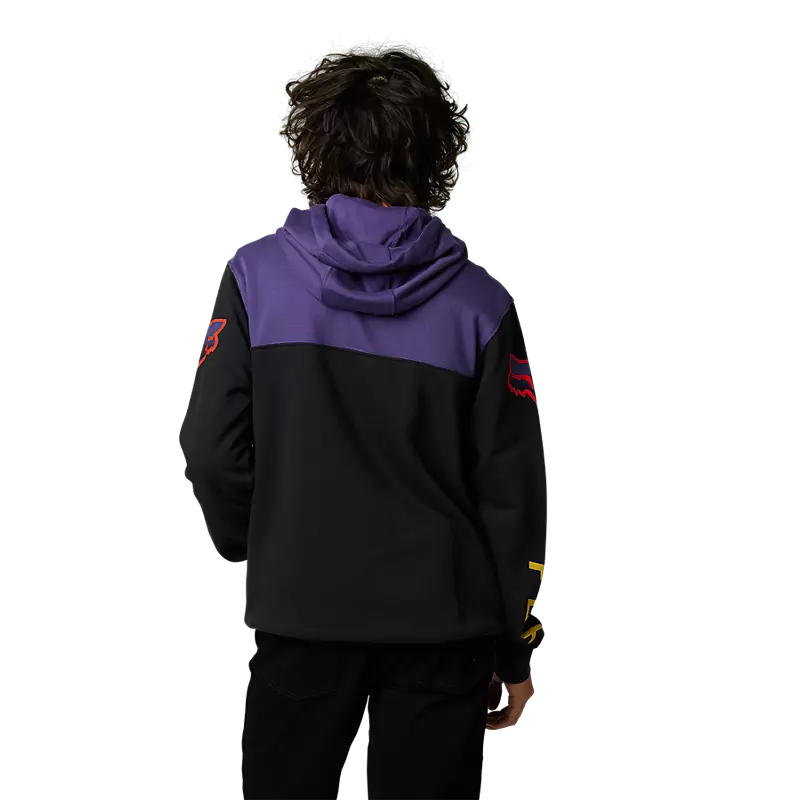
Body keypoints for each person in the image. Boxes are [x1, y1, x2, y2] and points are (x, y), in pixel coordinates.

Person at [179, 31, 548, 800]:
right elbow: (513, 498)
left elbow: (212, 448)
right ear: (439, 153)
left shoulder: (254, 278)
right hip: (444, 630)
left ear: (309, 143)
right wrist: (515, 648)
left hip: (302, 614)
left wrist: (263, 538)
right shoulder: (482, 305)